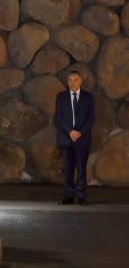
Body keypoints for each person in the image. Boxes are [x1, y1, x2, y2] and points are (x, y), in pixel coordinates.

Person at [54, 70, 95, 206]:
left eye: (76, 80)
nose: (73, 83)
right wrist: (70, 132)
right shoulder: (61, 97)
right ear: (67, 82)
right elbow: (59, 118)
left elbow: (90, 118)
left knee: (81, 168)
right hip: (66, 138)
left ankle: (81, 196)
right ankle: (69, 196)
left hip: (82, 139)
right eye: (70, 80)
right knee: (68, 169)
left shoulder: (88, 97)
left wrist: (79, 132)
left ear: (81, 81)